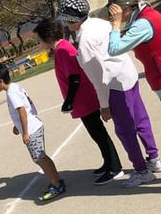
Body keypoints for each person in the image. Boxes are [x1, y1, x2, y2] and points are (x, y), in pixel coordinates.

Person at [57, 0, 158, 188]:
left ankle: (141, 170)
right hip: (127, 74)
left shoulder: (85, 41)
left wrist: (104, 106)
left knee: (125, 130)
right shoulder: (99, 23)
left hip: (114, 85)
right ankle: (154, 158)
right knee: (140, 119)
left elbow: (98, 79)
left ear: (71, 19)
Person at [33, 18, 123, 185]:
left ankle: (115, 167)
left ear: (47, 37)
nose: (39, 42)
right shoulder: (61, 47)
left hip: (84, 99)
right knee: (96, 133)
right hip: (83, 99)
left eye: (39, 38)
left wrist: (69, 101)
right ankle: (108, 162)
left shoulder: (62, 50)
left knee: (98, 133)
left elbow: (74, 77)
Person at [0, 63, 66, 202]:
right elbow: (25, 109)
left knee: (39, 158)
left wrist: (25, 132)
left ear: (0, 81)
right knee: (42, 157)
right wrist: (17, 126)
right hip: (33, 125)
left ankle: (56, 185)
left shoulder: (11, 92)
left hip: (32, 129)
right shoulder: (14, 87)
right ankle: (56, 181)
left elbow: (22, 111)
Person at [106, 0, 161, 113]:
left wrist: (116, 24)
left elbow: (114, 49)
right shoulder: (146, 16)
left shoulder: (143, 24)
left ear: (125, 8)